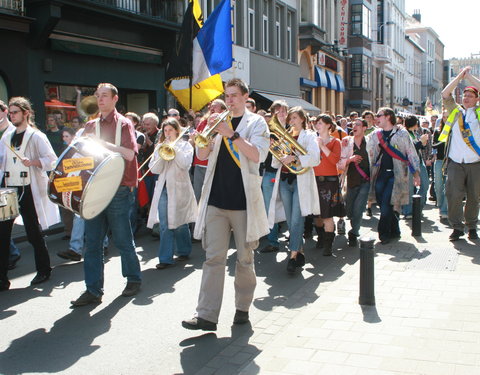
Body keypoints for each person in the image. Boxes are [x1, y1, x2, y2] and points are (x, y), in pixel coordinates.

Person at [182, 78, 270, 331]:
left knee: (244, 260)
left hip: (244, 202)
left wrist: (231, 134)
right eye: (226, 96)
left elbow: (258, 155)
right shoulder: (218, 120)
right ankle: (206, 315)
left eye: (233, 95)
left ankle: (242, 308)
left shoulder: (256, 122)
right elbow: (201, 155)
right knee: (213, 258)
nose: (229, 100)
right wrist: (205, 137)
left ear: (245, 96)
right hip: (216, 200)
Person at [71, 83, 142, 306]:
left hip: (119, 188)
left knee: (122, 239)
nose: (100, 99)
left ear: (114, 99)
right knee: (91, 242)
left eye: (104, 96)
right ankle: (93, 290)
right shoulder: (90, 125)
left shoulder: (124, 123)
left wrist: (103, 144)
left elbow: (130, 154)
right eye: (98, 96)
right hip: (95, 187)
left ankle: (133, 278)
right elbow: (81, 154)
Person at [0, 97, 60, 290]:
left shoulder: (36, 136)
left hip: (28, 188)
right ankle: (2, 278)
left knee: (34, 232)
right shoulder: (6, 137)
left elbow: (52, 161)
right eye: (10, 112)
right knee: (2, 233)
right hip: (10, 188)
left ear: (26, 113)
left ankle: (44, 269)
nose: (12, 115)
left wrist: (33, 162)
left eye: (15, 112)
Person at [268, 107, 320, 271]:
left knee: (297, 218)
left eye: (295, 118)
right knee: (290, 220)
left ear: (303, 119)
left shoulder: (309, 135)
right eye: (290, 119)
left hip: (300, 180)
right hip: (284, 179)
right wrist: (277, 153)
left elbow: (315, 158)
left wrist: (294, 157)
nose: (292, 121)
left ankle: (292, 256)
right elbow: (276, 162)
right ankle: (300, 251)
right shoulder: (285, 135)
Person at [146, 118, 197, 268]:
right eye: (165, 131)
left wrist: (174, 149)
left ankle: (184, 250)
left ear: (176, 130)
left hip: (180, 188)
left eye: (170, 130)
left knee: (180, 222)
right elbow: (155, 169)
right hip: (163, 188)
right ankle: (165, 258)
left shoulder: (186, 146)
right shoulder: (160, 146)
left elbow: (185, 164)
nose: (167, 133)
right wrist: (162, 153)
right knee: (165, 223)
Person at [369, 107, 420, 244]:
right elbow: (369, 152)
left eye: (378, 115)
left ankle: (383, 234)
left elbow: (411, 153)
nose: (376, 118)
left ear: (387, 117)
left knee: (386, 204)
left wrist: (416, 173)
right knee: (382, 203)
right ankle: (395, 228)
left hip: (396, 175)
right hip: (379, 175)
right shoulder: (375, 134)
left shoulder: (401, 134)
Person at [440, 66, 480, 241]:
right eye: (464, 95)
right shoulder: (455, 111)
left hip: (475, 162)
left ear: (477, 99)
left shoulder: (478, 113)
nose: (466, 98)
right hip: (456, 161)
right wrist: (458, 77)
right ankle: (456, 227)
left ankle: (472, 226)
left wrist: (469, 77)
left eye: (470, 96)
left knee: (474, 196)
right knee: (453, 195)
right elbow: (445, 93)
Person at [259, 100, 288, 253]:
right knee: (270, 207)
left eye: (284, 111)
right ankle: (273, 241)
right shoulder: (267, 130)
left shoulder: (292, 129)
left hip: (289, 174)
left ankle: (296, 239)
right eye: (277, 111)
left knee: (289, 207)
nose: (281, 114)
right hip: (270, 171)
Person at [312, 114, 342, 255]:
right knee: (317, 214)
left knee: (327, 215)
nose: (317, 125)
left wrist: (322, 146)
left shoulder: (335, 142)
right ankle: (321, 237)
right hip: (314, 180)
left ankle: (328, 245)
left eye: (320, 123)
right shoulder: (312, 140)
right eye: (316, 123)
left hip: (329, 182)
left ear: (328, 125)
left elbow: (334, 160)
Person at [339, 118, 371, 247]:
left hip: (366, 181)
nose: (354, 126)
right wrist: (349, 160)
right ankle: (354, 226)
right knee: (349, 209)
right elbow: (339, 163)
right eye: (353, 124)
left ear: (364, 128)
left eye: (358, 124)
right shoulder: (347, 143)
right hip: (351, 181)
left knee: (358, 208)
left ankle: (354, 232)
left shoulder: (370, 142)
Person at [0, 100, 22, 270]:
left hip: (12, 183)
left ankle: (12, 253)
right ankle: (11, 252)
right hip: (4, 181)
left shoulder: (12, 132)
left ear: (5, 111)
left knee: (5, 222)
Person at [432, 110, 448, 219]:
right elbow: (433, 145)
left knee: (448, 186)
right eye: (445, 117)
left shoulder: (456, 130)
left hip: (451, 161)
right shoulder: (438, 131)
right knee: (438, 185)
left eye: (448, 117)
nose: (446, 119)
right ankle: (440, 204)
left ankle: (444, 209)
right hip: (439, 160)